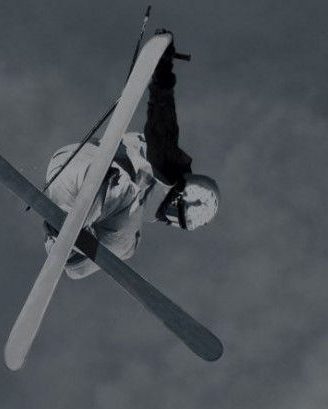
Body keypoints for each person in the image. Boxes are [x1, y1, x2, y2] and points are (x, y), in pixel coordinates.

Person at [43, 30, 220, 279]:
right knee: (125, 195)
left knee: (126, 245)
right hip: (82, 169)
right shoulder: (168, 168)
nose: (168, 216)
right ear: (183, 191)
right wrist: (162, 74)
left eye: (180, 220)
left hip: (79, 199)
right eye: (177, 209)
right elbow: (162, 125)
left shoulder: (141, 212)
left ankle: (68, 251)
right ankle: (71, 225)